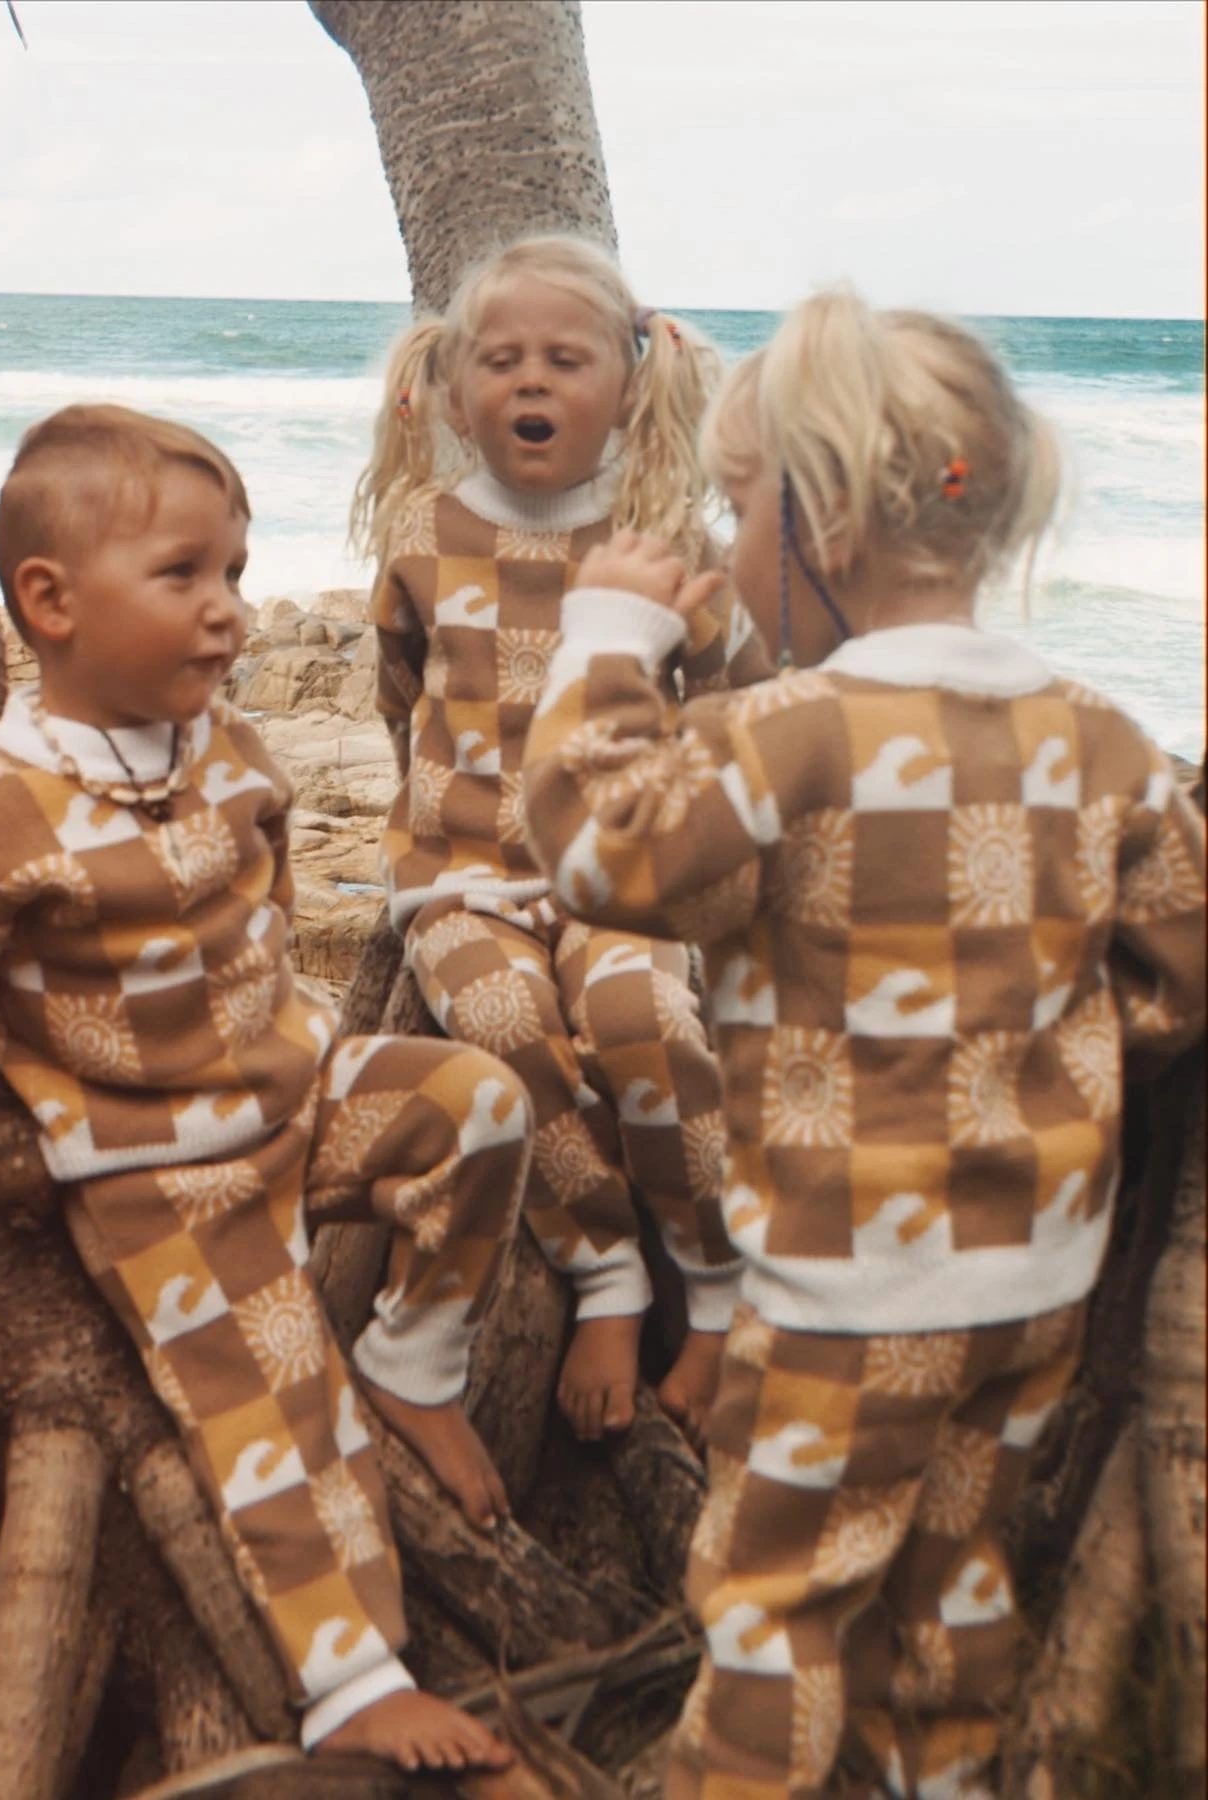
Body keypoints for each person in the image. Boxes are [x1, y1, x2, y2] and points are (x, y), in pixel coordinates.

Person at [519, 292, 1206, 1797]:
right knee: (954, 1595)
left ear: (818, 521)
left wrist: (612, 637)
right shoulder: (1105, 738)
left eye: (738, 505)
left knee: (776, 1611)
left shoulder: (790, 731)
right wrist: (1074, 1059)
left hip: (847, 1286)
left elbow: (593, 850)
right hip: (1036, 1278)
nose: (725, 540)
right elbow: (1176, 967)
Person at [0, 404, 527, 1772]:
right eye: (185, 575)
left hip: (295, 1090)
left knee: (480, 1108)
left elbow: (267, 885)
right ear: (52, 603)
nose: (229, 611)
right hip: (165, 1174)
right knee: (278, 1409)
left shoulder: (224, 748)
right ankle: (353, 1679)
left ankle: (418, 1358)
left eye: (239, 574)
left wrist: (283, 1020)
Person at [354, 233, 773, 1446]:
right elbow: (400, 694)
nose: (529, 380)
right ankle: (606, 1273)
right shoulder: (421, 535)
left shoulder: (664, 544)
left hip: (622, 875)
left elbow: (738, 698)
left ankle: (715, 1283)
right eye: (501, 361)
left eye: (564, 359)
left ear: (631, 388)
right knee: (504, 1031)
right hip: (460, 880)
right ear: (454, 394)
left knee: (645, 1022)